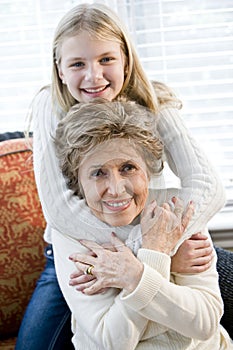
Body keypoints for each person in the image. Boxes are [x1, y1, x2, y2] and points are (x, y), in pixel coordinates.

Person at [15, 3, 226, 349]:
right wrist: (148, 253)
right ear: (60, 69)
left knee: (205, 309)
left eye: (106, 59)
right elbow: (61, 211)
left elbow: (208, 187)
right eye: (78, 63)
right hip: (82, 249)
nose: (94, 77)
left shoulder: (153, 101)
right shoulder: (50, 106)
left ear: (126, 59)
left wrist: (157, 248)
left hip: (158, 231)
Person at [52, 98, 232, 349]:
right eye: (98, 173)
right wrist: (158, 258)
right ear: (78, 181)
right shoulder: (70, 231)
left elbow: (204, 323)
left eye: (128, 167)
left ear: (148, 170)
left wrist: (133, 275)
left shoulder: (176, 209)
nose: (116, 189)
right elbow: (113, 342)